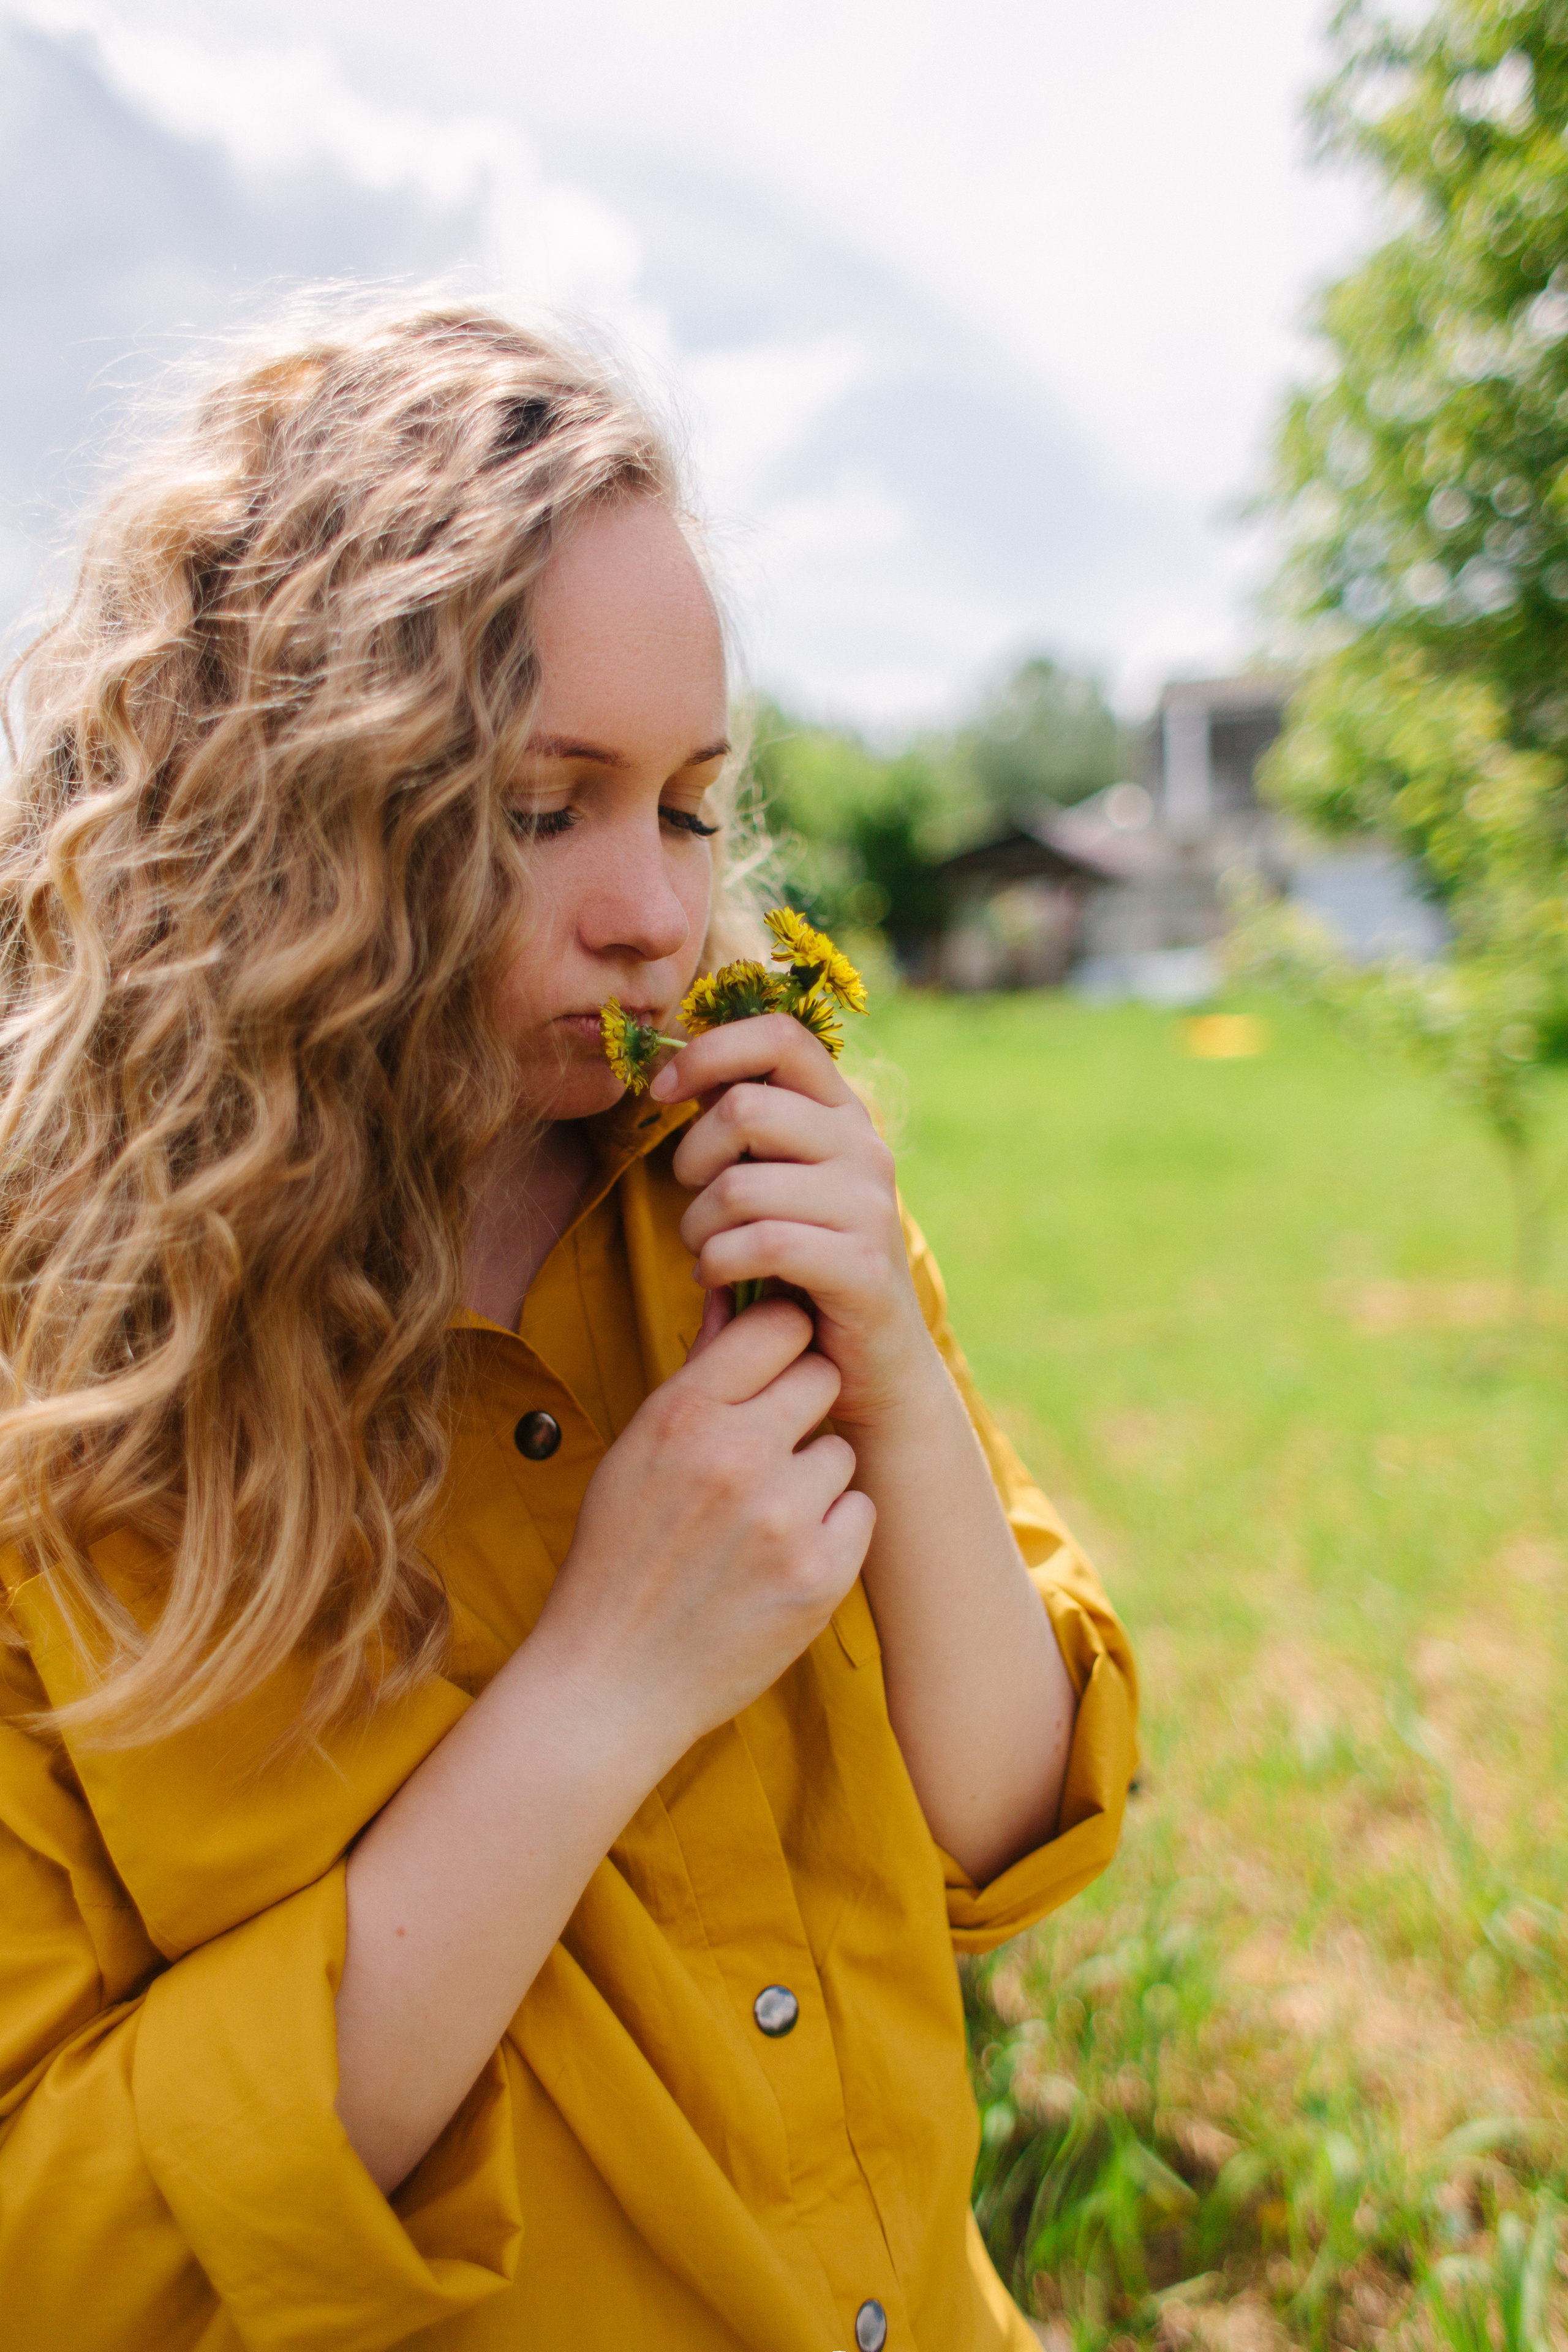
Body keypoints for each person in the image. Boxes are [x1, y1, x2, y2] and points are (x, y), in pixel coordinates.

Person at [0, 304, 1137, 2352]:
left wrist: (885, 1351)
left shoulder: (748, 1214)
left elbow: (1007, 1822)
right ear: (279, 816)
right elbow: (58, 2250)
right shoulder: (60, 1399)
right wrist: (608, 1681)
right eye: (546, 810)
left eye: (692, 807)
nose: (659, 916)